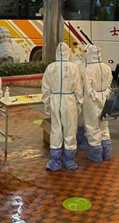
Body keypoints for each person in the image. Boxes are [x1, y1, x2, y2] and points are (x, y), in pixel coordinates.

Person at [41, 42, 83, 171]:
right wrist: (79, 102)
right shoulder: (73, 68)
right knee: (70, 129)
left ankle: (55, 161)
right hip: (69, 100)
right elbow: (78, 87)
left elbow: (45, 86)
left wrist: (46, 102)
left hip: (55, 99)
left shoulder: (50, 67)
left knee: (56, 129)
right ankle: (69, 160)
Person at [80, 45, 113, 162]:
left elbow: (88, 88)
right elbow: (110, 83)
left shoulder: (88, 69)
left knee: (93, 126)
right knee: (104, 125)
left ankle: (96, 154)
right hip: (105, 98)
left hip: (92, 100)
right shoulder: (107, 67)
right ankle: (107, 152)